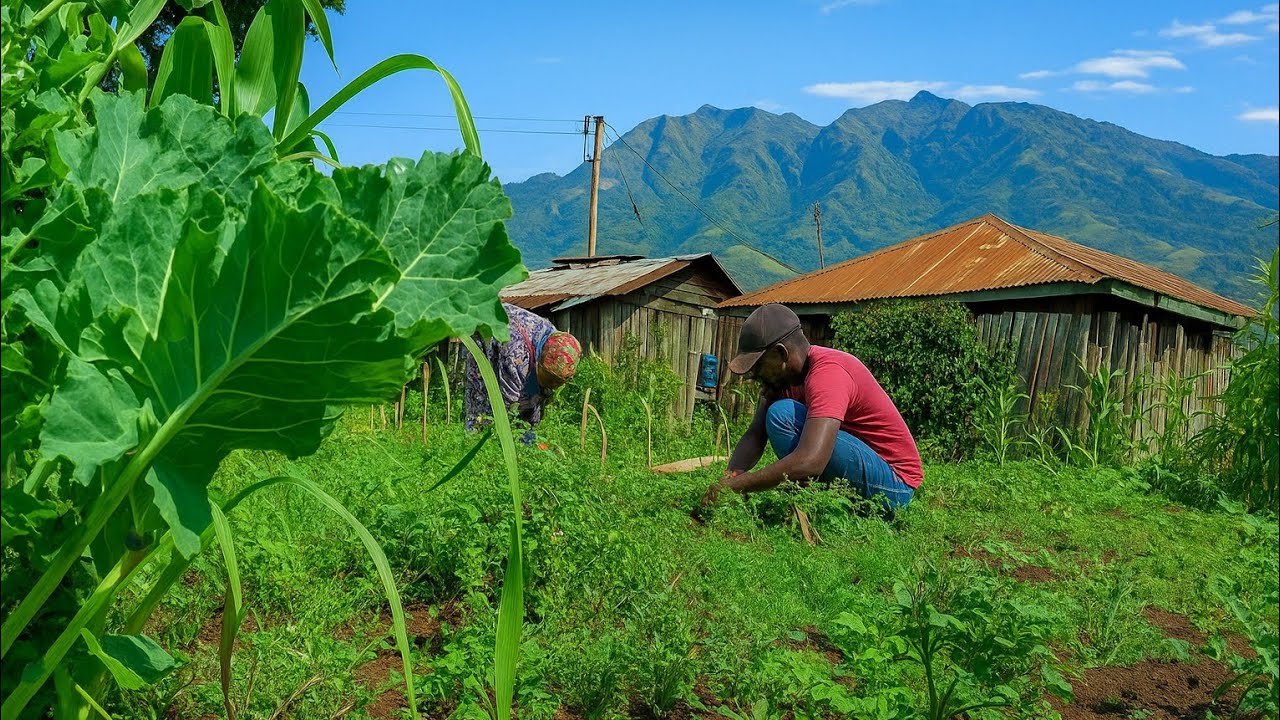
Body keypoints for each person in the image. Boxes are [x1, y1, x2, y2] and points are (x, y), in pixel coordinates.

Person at [700, 303, 921, 514]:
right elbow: (755, 435)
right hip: (863, 467)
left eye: (758, 365)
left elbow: (811, 460)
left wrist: (740, 486)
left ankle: (812, 500)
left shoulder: (828, 373)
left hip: (895, 485)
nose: (755, 375)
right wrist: (730, 477)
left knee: (782, 415)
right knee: (777, 411)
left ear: (781, 354)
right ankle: (813, 498)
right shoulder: (784, 381)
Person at [463, 302, 581, 444]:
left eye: (559, 381)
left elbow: (541, 393)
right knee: (482, 396)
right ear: (540, 363)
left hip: (517, 336)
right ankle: (477, 441)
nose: (554, 385)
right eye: (550, 379)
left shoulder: (558, 342)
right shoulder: (515, 355)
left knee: (531, 401)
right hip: (487, 333)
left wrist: (532, 427)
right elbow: (508, 403)